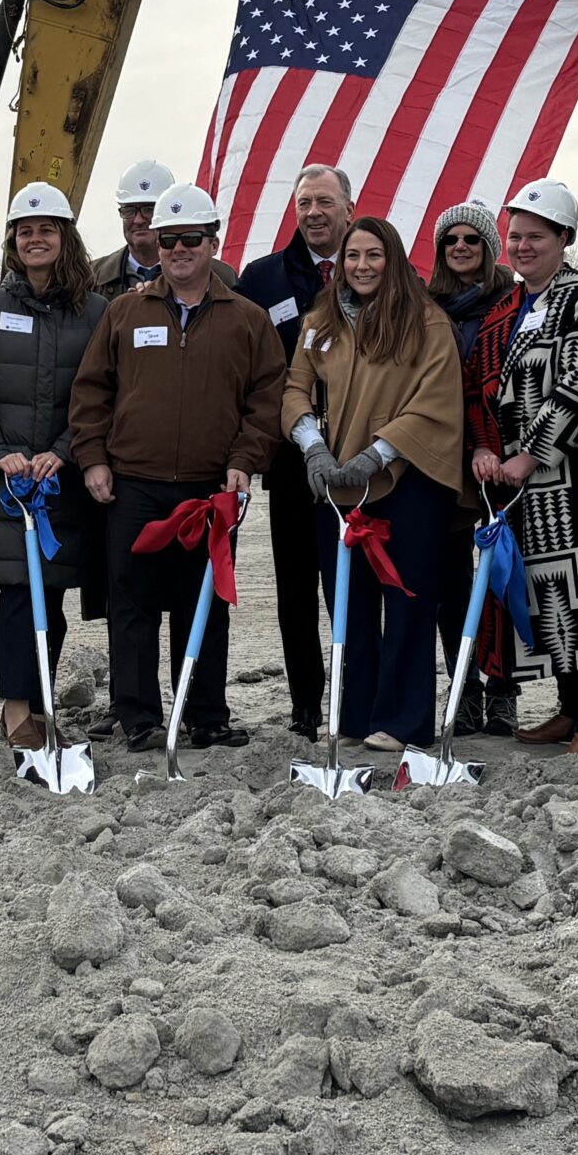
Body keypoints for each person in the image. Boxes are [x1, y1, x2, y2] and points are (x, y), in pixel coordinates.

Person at [71, 183, 284, 752]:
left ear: (213, 242)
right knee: (132, 605)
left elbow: (266, 401)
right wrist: (92, 458)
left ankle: (205, 714)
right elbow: (92, 392)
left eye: (191, 238)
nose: (179, 249)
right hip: (133, 487)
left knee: (205, 607)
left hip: (209, 490)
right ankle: (138, 716)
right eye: (169, 240)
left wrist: (245, 461)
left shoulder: (247, 320)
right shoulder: (124, 312)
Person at [465, 177, 578, 762]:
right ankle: (570, 709)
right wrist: (484, 449)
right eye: (514, 236)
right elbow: (484, 389)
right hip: (524, 487)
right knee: (548, 599)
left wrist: (529, 453)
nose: (520, 246)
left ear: (564, 237)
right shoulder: (511, 308)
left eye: (534, 236)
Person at [285, 216, 466, 750]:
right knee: (349, 601)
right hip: (334, 484)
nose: (362, 267)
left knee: (407, 599)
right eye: (353, 256)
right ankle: (353, 714)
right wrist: (312, 446)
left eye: (373, 255)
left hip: (405, 480)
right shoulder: (321, 321)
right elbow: (296, 386)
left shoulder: (425, 322)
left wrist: (377, 454)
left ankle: (404, 720)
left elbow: (434, 400)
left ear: (393, 259)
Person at [0, 183, 110, 744]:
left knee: (55, 593)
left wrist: (63, 451)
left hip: (62, 482)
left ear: (66, 239)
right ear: (13, 243)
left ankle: (40, 705)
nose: (35, 239)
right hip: (7, 483)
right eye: (25, 231)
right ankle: (18, 710)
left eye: (46, 230)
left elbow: (104, 393)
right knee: (20, 592)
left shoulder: (97, 313)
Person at [234, 164, 355, 738]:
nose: (313, 213)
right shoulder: (261, 279)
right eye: (304, 202)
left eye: (324, 202)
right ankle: (307, 701)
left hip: (362, 462)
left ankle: (355, 695)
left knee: (354, 581)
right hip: (289, 464)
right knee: (296, 587)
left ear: (348, 208)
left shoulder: (374, 269)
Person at [425, 201, 517, 735]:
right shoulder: (427, 306)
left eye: (472, 240)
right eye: (451, 240)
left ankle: (504, 689)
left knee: (499, 578)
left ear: (488, 248)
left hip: (499, 457)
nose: (460, 247)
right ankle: (464, 691)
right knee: (450, 582)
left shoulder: (511, 301)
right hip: (443, 457)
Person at [94, 159, 235, 296]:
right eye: (129, 210)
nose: (138, 220)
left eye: (149, 209)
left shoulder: (224, 278)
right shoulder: (90, 277)